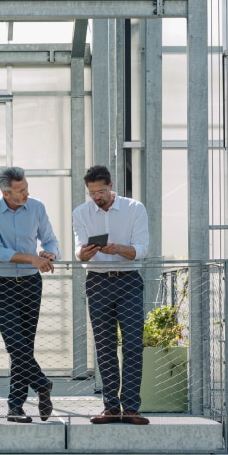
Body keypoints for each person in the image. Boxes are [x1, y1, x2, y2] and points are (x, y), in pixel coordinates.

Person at [73, 165, 150, 425]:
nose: (97, 197)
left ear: (111, 185)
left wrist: (117, 248)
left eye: (101, 191)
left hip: (128, 281)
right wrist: (86, 253)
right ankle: (110, 407)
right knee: (104, 347)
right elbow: (79, 253)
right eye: (92, 192)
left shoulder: (134, 209)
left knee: (132, 345)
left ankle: (130, 407)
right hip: (97, 282)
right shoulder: (81, 213)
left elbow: (141, 250)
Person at [0, 166, 59, 423]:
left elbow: (50, 240)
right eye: (20, 190)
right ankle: (42, 384)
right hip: (1, 284)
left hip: (30, 284)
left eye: (26, 187)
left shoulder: (37, 207)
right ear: (6, 193)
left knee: (24, 346)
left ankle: (15, 407)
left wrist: (49, 254)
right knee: (15, 344)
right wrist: (31, 258)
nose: (26, 193)